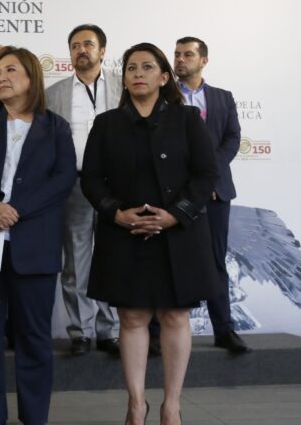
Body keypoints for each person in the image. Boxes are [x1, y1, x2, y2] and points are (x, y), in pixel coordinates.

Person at [81, 42, 219, 425]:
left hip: (178, 235)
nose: (137, 73)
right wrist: (116, 213)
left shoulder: (189, 119)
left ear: (163, 76)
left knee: (175, 317)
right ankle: (136, 404)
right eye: (130, 68)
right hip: (124, 233)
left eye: (147, 66)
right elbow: (91, 179)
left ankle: (171, 405)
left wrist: (176, 215)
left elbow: (206, 174)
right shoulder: (106, 123)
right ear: (123, 79)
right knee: (133, 317)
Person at [0, 46, 77, 425]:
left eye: (10, 70)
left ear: (32, 77)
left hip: (33, 245)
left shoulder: (56, 127)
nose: (1, 77)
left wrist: (15, 210)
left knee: (34, 339)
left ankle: (34, 417)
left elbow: (63, 179)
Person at [46, 24, 121, 356]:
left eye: (88, 44)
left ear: (102, 51)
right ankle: (81, 331)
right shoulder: (55, 93)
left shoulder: (124, 87)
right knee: (76, 262)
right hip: (74, 185)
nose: (81, 50)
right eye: (75, 45)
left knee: (114, 257)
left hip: (117, 187)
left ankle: (111, 331)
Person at [174, 36, 248, 353]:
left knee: (216, 261)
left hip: (216, 191)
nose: (180, 60)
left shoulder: (222, 97)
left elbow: (232, 139)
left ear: (203, 60)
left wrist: (207, 173)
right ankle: (157, 333)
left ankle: (224, 330)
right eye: (176, 54)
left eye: (187, 54)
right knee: (169, 261)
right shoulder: (164, 98)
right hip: (174, 193)